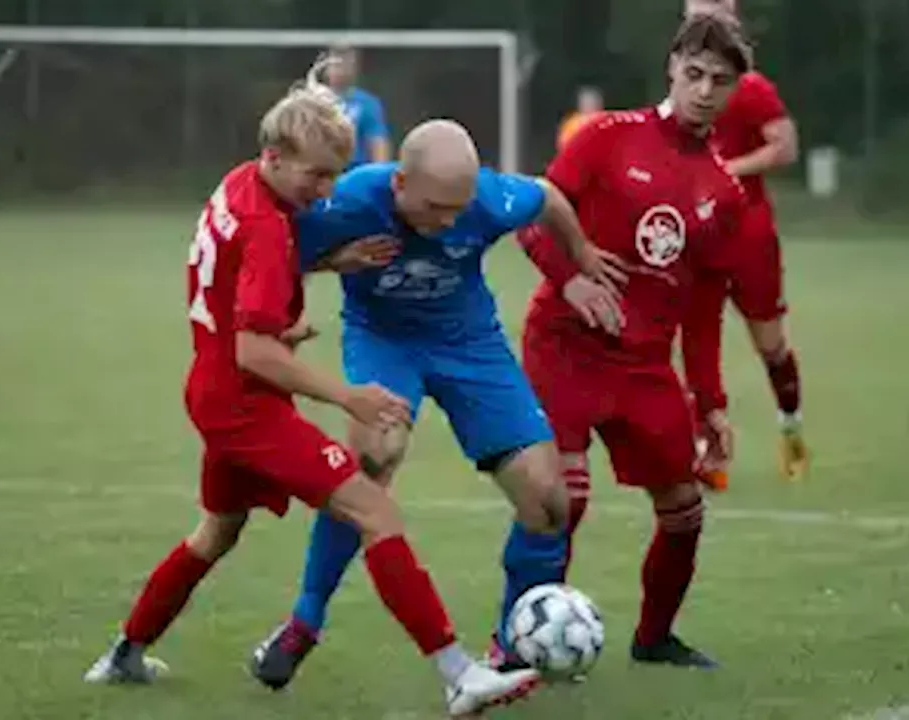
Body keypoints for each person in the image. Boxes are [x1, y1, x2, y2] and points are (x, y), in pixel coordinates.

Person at [80, 62, 541, 718]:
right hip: (243, 404)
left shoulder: (240, 186)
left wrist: (329, 262)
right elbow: (255, 350)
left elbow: (243, 289)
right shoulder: (270, 227)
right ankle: (460, 674)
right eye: (317, 176)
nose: (326, 194)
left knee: (216, 532)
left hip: (213, 391)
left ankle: (123, 653)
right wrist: (347, 396)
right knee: (374, 510)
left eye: (334, 177)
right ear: (275, 156)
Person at [246, 117, 626, 691]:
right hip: (384, 341)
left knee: (549, 498)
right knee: (374, 458)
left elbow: (548, 197)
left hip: (470, 343)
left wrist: (580, 258)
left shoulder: (490, 199)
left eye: (459, 208)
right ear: (399, 184)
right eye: (436, 208)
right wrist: (334, 263)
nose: (450, 221)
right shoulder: (346, 201)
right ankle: (304, 621)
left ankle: (513, 648)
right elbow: (279, 253)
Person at [506, 11, 752, 671]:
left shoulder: (724, 193)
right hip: (566, 345)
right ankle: (514, 644)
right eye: (694, 73)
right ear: (672, 65)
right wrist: (572, 279)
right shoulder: (606, 138)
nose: (703, 89)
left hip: (643, 365)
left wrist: (713, 402)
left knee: (685, 510)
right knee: (564, 496)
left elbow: (705, 311)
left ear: (734, 90)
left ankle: (654, 639)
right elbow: (529, 219)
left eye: (719, 81)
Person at [682, 0, 808, 485]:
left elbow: (785, 145)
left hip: (749, 234)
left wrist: (726, 172)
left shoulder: (752, 89)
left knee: (770, 345)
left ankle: (791, 427)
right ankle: (710, 456)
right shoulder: (681, 88)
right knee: (698, 345)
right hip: (699, 235)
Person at [325, 43, 392, 167]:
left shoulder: (367, 104)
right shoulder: (315, 101)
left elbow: (378, 144)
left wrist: (378, 175)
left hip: (355, 170)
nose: (341, 71)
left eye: (346, 65)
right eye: (336, 65)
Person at [557, 85, 605, 151]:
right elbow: (564, 145)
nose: (590, 105)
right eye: (587, 102)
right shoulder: (572, 123)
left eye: (593, 102)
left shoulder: (607, 120)